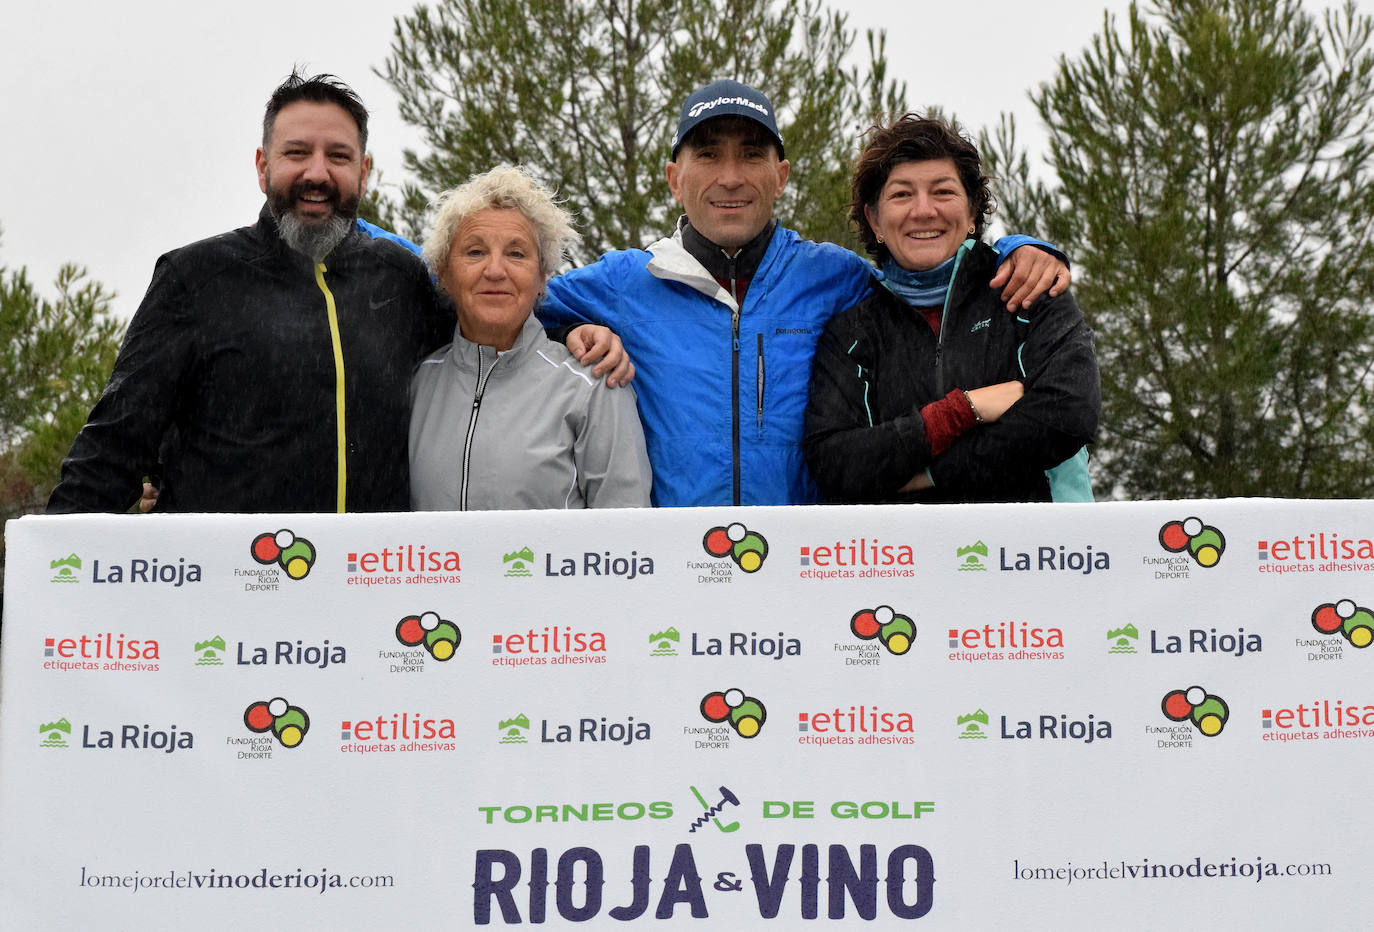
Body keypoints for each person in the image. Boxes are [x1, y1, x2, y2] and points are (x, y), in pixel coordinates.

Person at [45, 70, 624, 515]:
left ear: (364, 171)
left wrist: (570, 333)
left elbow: (488, 323)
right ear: (262, 164)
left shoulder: (398, 278)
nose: (317, 173)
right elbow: (114, 445)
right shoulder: (194, 278)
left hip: (372, 624)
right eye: (297, 153)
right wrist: (46, 582)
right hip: (222, 619)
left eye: (338, 157)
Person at [535, 79, 1071, 507]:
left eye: (751, 155)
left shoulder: (833, 276)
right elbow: (503, 300)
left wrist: (1020, 249)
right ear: (675, 178)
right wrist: (573, 329)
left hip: (814, 575)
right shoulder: (625, 281)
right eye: (707, 156)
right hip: (678, 573)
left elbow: (926, 268)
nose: (730, 177)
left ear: (781, 176)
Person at [803, 114, 1100, 503]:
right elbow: (835, 464)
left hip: (1036, 557)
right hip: (899, 561)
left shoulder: (1032, 292)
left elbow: (1068, 416)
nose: (924, 210)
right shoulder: (851, 333)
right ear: (874, 218)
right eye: (901, 194)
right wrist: (963, 410)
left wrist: (927, 473)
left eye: (943, 192)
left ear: (973, 212)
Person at [409, 166, 651, 510]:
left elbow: (630, 534)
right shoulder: (420, 383)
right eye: (475, 252)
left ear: (542, 278)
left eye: (516, 253)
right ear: (443, 273)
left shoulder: (593, 384)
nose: (495, 270)